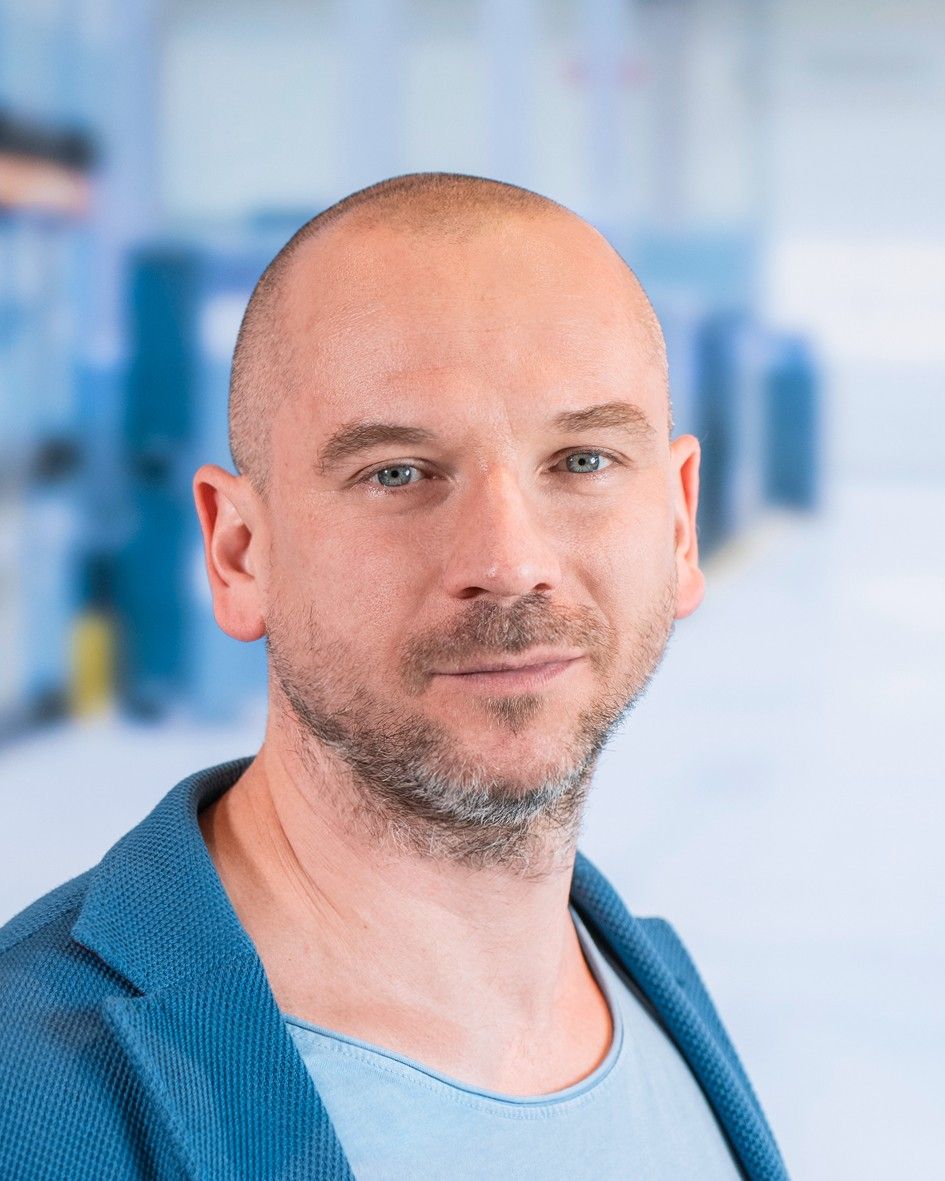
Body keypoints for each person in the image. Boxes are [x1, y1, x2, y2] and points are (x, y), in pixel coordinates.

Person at [0, 172, 788, 1180]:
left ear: (678, 525)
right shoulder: (36, 1097)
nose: (508, 560)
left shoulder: (656, 990)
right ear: (241, 551)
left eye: (583, 460)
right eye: (398, 472)